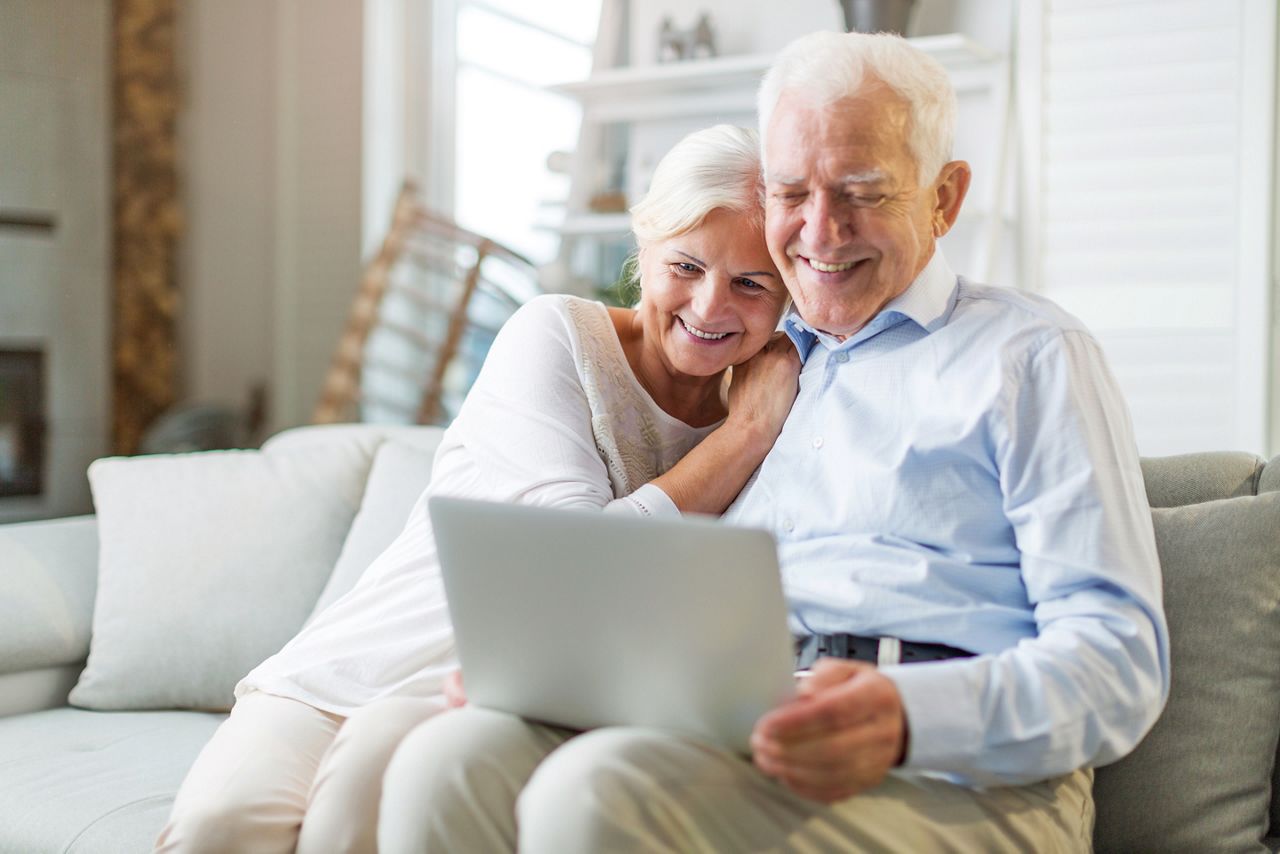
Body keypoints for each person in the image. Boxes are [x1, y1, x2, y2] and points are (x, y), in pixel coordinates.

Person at [378, 31, 1170, 853]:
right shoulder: (754, 356)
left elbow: (1119, 663)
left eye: (862, 191)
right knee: (447, 759)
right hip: (734, 724)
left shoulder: (1030, 355)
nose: (821, 234)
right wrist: (548, 672)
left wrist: (907, 719)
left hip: (958, 777)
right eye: (793, 192)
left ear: (944, 196)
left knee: (596, 793)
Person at [153, 123, 798, 854]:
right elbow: (572, 554)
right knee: (217, 830)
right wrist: (741, 439)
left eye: (751, 283)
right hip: (353, 664)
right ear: (643, 248)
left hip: (487, 701)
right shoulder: (555, 335)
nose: (712, 307)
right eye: (686, 265)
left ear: (788, 296)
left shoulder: (785, 406)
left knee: (349, 827)